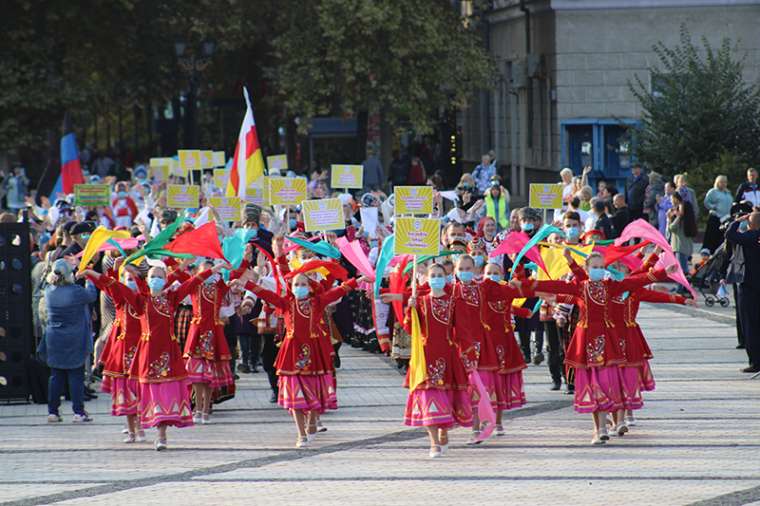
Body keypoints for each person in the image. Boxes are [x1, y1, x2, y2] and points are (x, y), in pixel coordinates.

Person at [529, 251, 672, 444]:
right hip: (586, 341)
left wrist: (662, 272)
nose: (598, 270)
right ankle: (599, 429)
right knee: (591, 384)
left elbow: (636, 281)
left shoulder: (610, 287)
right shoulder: (580, 287)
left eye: (601, 267)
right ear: (587, 269)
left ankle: (615, 422)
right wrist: (530, 285)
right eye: (594, 267)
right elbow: (556, 286)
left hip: (607, 341)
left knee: (608, 382)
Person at [242, 268, 365, 448]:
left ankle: (313, 421)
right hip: (291, 353)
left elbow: (338, 291)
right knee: (295, 395)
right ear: (290, 287)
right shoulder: (285, 303)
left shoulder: (317, 302)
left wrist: (358, 280)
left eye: (303, 284)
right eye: (296, 285)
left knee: (315, 392)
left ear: (309, 287)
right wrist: (245, 283)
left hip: (313, 353)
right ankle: (301, 434)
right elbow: (266, 294)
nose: (299, 287)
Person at [403, 263, 473, 458]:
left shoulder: (454, 302)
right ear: (426, 278)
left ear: (447, 277)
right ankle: (433, 442)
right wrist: (410, 309)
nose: (436, 278)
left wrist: (470, 354)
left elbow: (464, 331)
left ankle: (443, 430)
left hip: (448, 356)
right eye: (432, 275)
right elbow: (410, 329)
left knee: (447, 398)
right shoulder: (421, 301)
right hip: (424, 357)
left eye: (439, 275)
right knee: (428, 398)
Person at [37, 259, 98, 423]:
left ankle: (53, 412)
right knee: (75, 375)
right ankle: (78, 412)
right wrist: (88, 278)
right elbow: (92, 295)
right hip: (74, 338)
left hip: (54, 337)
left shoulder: (49, 291)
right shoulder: (76, 291)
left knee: (56, 375)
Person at [725, 212, 760, 373]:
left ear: (752, 224)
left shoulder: (751, 236)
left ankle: (755, 361)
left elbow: (729, 234)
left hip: (748, 286)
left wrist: (737, 221)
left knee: (750, 324)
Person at [667, 192, 697, 279]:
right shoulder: (689, 220)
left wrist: (671, 218)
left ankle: (682, 289)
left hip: (679, 247)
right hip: (685, 247)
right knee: (683, 269)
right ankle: (682, 288)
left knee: (682, 270)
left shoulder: (681, 219)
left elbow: (671, 228)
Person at [703, 175, 733, 253]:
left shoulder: (727, 193)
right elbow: (706, 202)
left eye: (725, 182)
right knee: (713, 236)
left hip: (726, 218)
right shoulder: (713, 192)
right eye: (721, 182)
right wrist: (714, 207)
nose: (723, 184)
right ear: (717, 182)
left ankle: (721, 252)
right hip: (716, 217)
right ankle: (710, 251)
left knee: (722, 237)